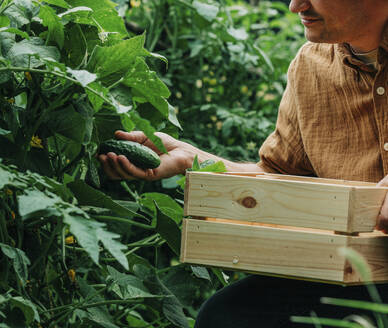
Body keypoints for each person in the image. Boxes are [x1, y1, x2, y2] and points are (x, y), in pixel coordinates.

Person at [99, 0, 388, 326]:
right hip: (358, 272)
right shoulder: (311, 66)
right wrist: (188, 158)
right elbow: (277, 174)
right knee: (226, 316)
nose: (296, 5)